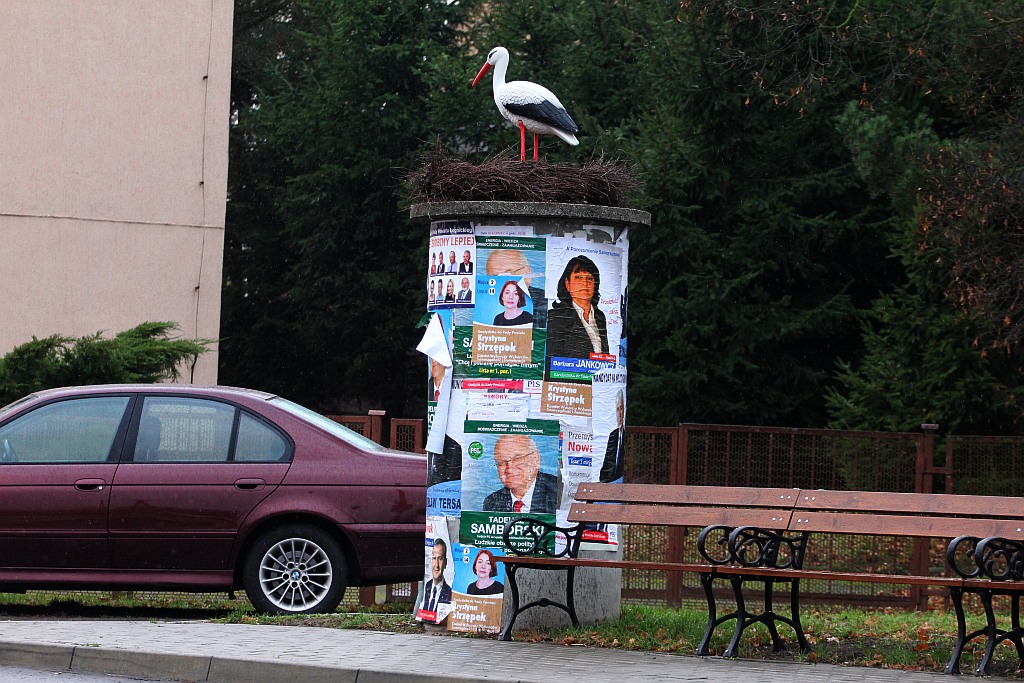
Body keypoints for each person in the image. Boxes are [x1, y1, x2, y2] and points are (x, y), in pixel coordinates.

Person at [545, 255, 608, 377]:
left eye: (589, 278)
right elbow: (551, 365)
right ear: (567, 284)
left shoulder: (600, 317)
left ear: (595, 284)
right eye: (578, 277)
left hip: (598, 388)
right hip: (570, 390)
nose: (585, 283)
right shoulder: (555, 318)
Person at [482, 434, 558, 513]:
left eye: (517, 459)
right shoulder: (492, 502)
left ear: (535, 460)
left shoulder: (558, 492)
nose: (510, 469)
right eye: (501, 462)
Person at [485, 249, 546, 327]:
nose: (502, 280)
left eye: (508, 274)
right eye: (494, 277)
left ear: (527, 272)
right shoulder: (496, 317)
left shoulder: (546, 303)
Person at [420, 538, 452, 615]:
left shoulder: (449, 593)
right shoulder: (427, 586)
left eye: (440, 559)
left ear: (445, 563)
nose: (436, 565)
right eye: (434, 558)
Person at [599, 389, 625, 483]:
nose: (620, 414)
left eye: (621, 409)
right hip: (608, 481)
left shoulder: (623, 434)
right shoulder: (613, 435)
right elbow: (607, 462)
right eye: (617, 409)